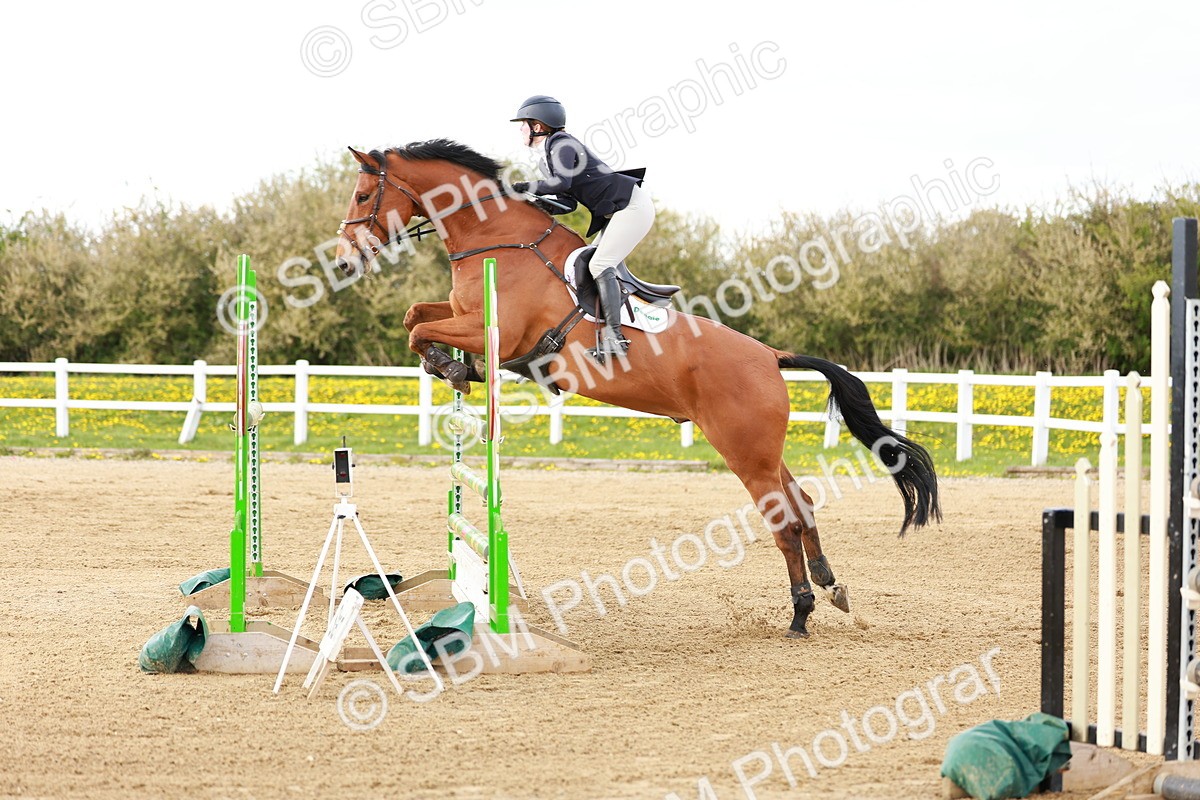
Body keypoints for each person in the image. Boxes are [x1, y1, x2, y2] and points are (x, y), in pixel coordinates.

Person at [509, 95, 656, 360]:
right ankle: (609, 329)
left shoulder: (562, 144)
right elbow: (568, 203)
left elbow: (561, 184)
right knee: (588, 266)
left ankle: (616, 338)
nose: (521, 130)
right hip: (621, 212)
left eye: (524, 124)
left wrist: (525, 187)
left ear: (539, 125)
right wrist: (535, 203)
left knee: (599, 265)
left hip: (632, 208)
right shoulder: (550, 154)